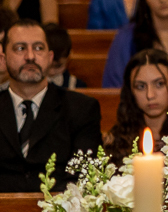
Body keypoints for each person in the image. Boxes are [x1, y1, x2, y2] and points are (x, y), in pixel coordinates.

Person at [0, 19, 102, 192]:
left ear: (50, 57)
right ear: (4, 58)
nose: (30, 56)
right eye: (20, 48)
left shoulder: (81, 109)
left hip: (60, 207)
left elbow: (85, 177)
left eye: (38, 48)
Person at [104, 48, 168, 158]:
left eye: (159, 84)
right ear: (131, 91)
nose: (150, 95)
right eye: (141, 86)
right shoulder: (112, 141)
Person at [44, 23, 85, 89]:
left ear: (69, 57)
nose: (52, 72)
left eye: (58, 66)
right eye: (47, 65)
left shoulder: (77, 85)